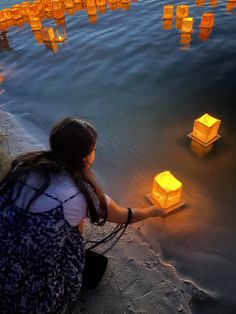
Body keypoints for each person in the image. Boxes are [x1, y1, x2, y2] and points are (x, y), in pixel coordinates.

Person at [0, 117, 165, 314]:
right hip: (30, 302)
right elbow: (125, 216)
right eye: (94, 149)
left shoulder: (24, 167)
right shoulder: (80, 194)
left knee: (68, 225)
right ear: (86, 156)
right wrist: (152, 211)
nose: (94, 153)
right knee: (96, 265)